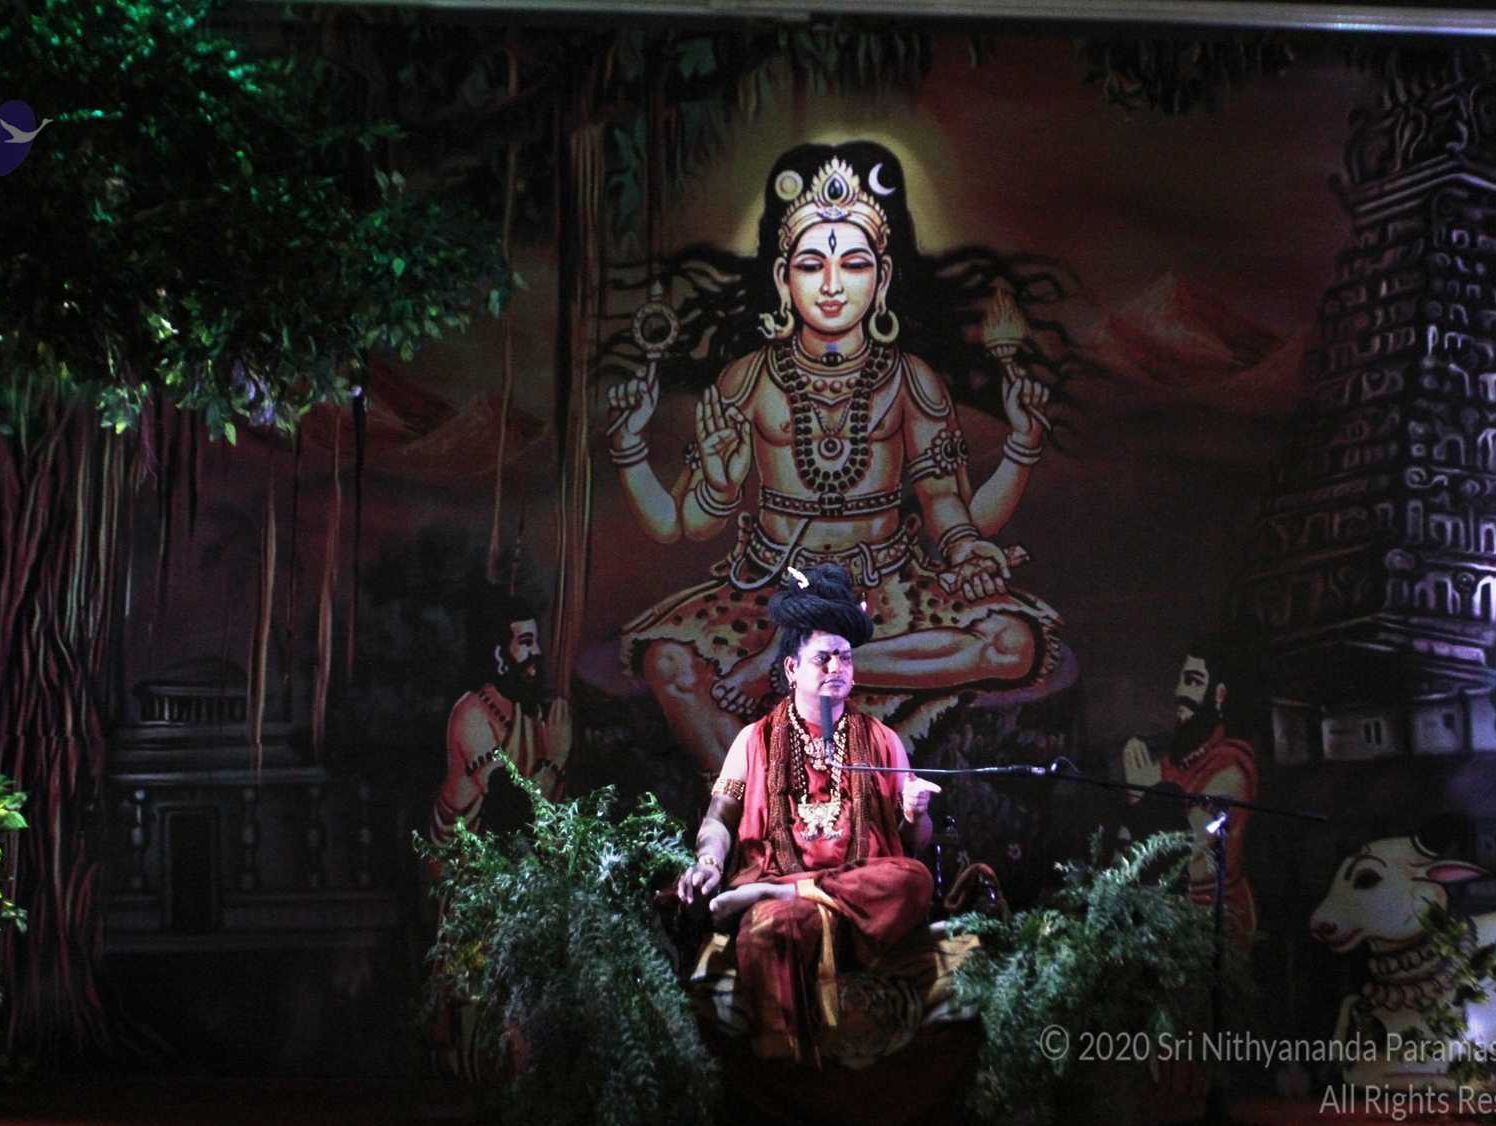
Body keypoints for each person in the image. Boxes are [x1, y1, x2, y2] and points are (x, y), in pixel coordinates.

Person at [605, 141, 1063, 769]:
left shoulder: (910, 379)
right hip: (771, 588)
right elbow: (682, 524)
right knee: (669, 664)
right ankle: (758, 805)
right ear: (782, 278)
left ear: (882, 279)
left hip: (886, 590)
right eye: (810, 264)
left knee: (1012, 642)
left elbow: (945, 505)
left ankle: (810, 661)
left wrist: (973, 534)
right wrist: (712, 481)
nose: (830, 286)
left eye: (852, 264)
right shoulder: (749, 378)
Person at [676, 564, 941, 1063]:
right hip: (799, 892)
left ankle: (777, 893)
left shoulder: (882, 741)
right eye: (823, 658)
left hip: (861, 905)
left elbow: (913, 845)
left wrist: (913, 814)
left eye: (845, 658)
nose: (837, 668)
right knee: (771, 927)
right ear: (792, 669)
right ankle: (786, 1065)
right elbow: (718, 819)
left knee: (914, 879)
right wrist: (709, 861)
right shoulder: (753, 740)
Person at [1122, 644, 1258, 943]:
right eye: (1181, 680)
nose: (1179, 691)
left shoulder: (1231, 766)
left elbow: (1189, 850)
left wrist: (1145, 799)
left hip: (1214, 923)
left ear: (1219, 695)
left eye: (1193, 682)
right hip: (1161, 916)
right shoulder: (1172, 762)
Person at [431, 590, 572, 846]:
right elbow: (510, 812)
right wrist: (555, 760)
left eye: (537, 642)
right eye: (527, 642)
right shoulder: (472, 713)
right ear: (499, 655)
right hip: (461, 858)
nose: (537, 651)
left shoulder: (530, 709)